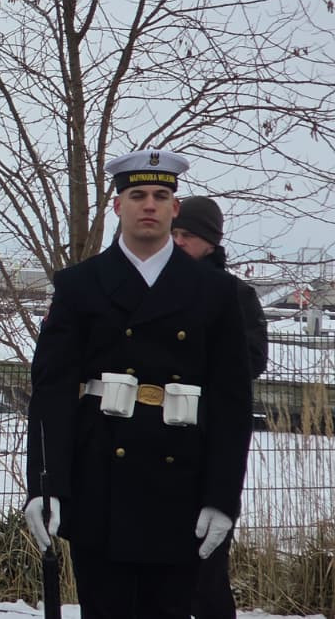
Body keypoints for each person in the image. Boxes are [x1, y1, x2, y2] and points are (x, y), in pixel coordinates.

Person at [24, 150, 253, 619]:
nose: (149, 204)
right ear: (117, 206)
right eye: (137, 195)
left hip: (181, 486)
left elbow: (231, 402)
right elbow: (52, 392)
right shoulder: (80, 285)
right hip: (100, 482)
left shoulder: (215, 292)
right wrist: (46, 485)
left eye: (161, 196)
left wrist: (222, 496)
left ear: (175, 208)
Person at [173, 195, 269, 619]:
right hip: (157, 447)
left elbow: (252, 360)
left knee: (206, 576)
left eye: (187, 235)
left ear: (210, 242)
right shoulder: (156, 288)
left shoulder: (236, 295)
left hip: (208, 444)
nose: (178, 241)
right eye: (174, 233)